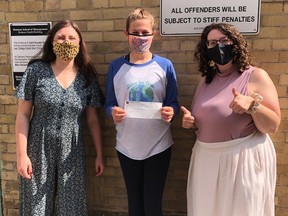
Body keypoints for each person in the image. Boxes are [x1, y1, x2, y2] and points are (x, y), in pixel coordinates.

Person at [181, 23, 281, 216]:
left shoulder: (255, 76)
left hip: (242, 161)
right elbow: (200, 117)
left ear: (235, 44)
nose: (218, 46)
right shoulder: (205, 80)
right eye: (211, 43)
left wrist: (253, 105)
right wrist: (190, 121)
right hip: (206, 160)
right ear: (206, 49)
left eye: (224, 41)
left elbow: (273, 125)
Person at [15, 20, 105, 215]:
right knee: (35, 206)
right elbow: (22, 114)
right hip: (37, 147)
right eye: (61, 37)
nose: (66, 42)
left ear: (80, 43)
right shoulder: (36, 71)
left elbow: (92, 120)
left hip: (72, 150)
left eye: (72, 38)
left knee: (71, 207)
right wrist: (22, 155)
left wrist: (99, 153)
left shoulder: (87, 76)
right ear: (52, 41)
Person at [105, 8, 179, 216]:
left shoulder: (165, 66)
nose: (140, 37)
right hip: (127, 145)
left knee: (153, 203)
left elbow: (173, 102)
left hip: (159, 145)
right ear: (126, 34)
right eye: (135, 32)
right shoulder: (116, 66)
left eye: (145, 32)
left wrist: (171, 112)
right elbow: (109, 103)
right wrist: (112, 112)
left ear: (153, 34)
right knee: (134, 204)